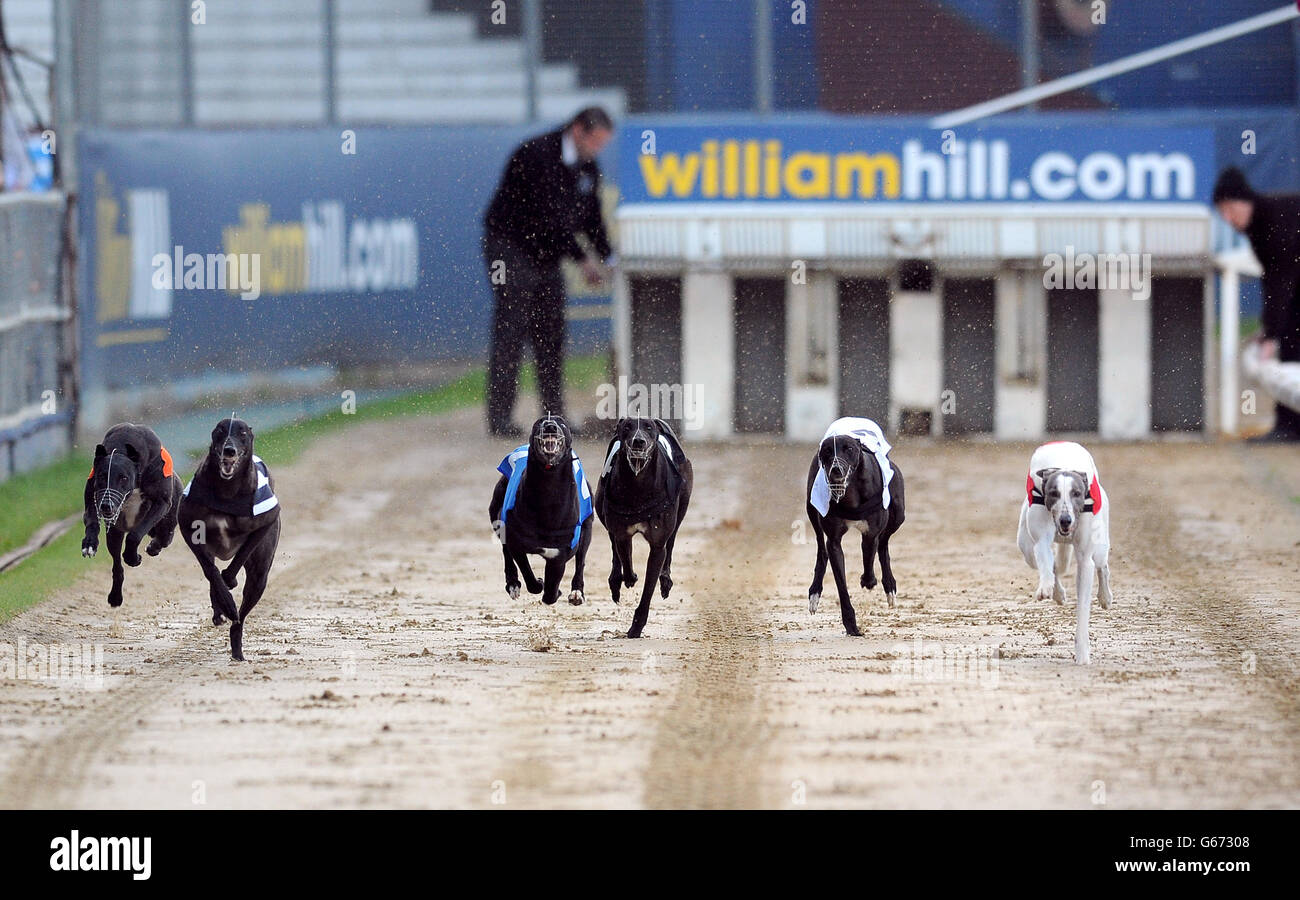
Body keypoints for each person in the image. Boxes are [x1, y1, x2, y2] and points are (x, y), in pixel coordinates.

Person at [482, 106, 616, 438]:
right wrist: (581, 259)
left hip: (547, 254)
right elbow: (547, 217)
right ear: (577, 131)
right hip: (510, 248)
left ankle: (553, 417)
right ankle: (499, 418)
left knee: (551, 333)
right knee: (512, 329)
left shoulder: (588, 168)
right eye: (595, 142)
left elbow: (590, 220)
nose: (597, 150)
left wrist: (610, 259)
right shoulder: (535, 154)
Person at [1213, 167, 1300, 442]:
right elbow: (1276, 279)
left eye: (1230, 209)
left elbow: (1280, 279)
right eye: (1222, 213)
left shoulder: (1275, 220)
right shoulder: (1261, 225)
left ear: (1245, 200)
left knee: (1289, 340)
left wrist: (1271, 334)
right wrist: (1271, 329)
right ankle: (1290, 424)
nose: (1228, 219)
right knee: (1290, 341)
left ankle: (1290, 425)